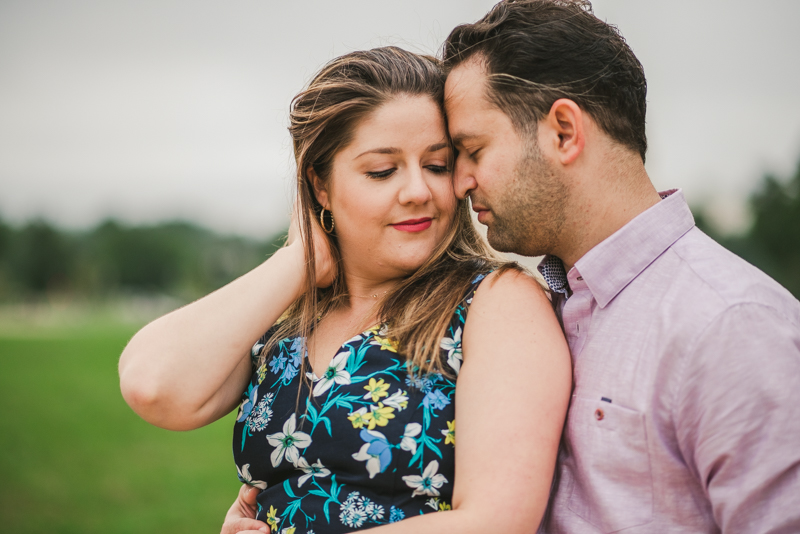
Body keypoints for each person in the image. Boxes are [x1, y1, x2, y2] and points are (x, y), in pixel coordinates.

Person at [118, 46, 572, 534]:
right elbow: (154, 385)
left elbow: (497, 521)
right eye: (383, 170)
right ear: (320, 185)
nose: (418, 190)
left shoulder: (497, 302)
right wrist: (299, 260)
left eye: (438, 166)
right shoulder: (284, 329)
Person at [435, 0, 800, 532]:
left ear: (563, 131)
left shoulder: (732, 324)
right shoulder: (524, 316)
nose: (458, 182)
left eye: (472, 149)